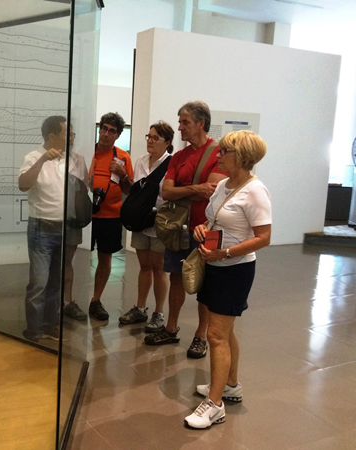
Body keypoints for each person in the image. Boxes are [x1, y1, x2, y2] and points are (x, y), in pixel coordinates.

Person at [184, 130, 272, 429]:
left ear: (243, 157)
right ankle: (230, 385)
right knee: (225, 330)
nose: (218, 155)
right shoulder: (223, 185)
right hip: (215, 265)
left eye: (225, 151)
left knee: (216, 335)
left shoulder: (256, 190)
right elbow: (213, 220)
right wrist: (201, 229)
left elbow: (264, 237)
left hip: (235, 269)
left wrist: (225, 253)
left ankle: (215, 404)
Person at [145, 101, 227, 359]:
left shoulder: (219, 153)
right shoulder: (179, 157)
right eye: (180, 122)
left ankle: (201, 336)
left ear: (201, 123)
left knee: (206, 284)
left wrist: (183, 191)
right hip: (178, 228)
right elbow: (166, 191)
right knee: (176, 278)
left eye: (185, 122)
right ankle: (171, 328)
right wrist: (195, 189)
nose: (179, 127)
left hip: (210, 229)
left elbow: (211, 190)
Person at [119, 121, 173, 333]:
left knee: (159, 267)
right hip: (141, 221)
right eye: (148, 136)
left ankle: (159, 313)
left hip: (160, 222)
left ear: (167, 142)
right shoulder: (140, 161)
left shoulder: (171, 164)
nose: (150, 141)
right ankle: (140, 308)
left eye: (155, 138)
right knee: (144, 266)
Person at [18, 115, 68, 341]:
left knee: (55, 282)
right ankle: (34, 329)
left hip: (63, 229)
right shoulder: (33, 157)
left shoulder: (67, 160)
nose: (70, 138)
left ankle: (49, 324)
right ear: (52, 136)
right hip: (41, 229)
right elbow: (23, 184)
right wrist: (42, 161)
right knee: (39, 282)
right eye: (66, 134)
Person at [88, 112, 133, 320]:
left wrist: (122, 174)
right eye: (104, 129)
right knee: (73, 255)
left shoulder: (123, 157)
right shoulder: (88, 153)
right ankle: (69, 300)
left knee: (105, 258)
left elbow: (129, 190)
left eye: (111, 131)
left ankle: (96, 300)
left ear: (117, 135)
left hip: (111, 216)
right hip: (85, 215)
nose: (106, 134)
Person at [63, 126, 89, 321]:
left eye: (72, 135)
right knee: (50, 263)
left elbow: (83, 188)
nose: (70, 138)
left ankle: (67, 301)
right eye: (66, 134)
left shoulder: (79, 160)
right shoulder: (47, 159)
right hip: (52, 219)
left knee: (67, 262)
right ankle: (50, 303)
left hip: (72, 219)